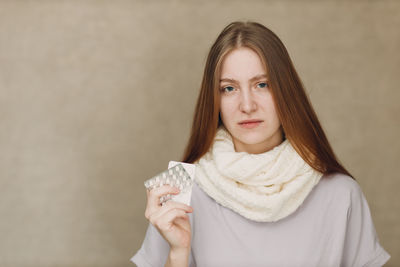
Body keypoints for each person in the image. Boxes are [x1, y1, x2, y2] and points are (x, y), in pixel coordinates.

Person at [130, 21, 391, 267]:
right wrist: (177, 254)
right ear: (214, 100)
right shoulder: (180, 192)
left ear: (287, 92)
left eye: (262, 84)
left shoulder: (341, 194)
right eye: (229, 88)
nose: (247, 105)